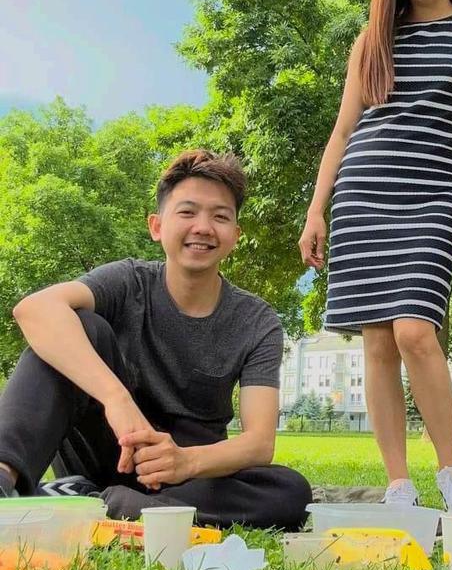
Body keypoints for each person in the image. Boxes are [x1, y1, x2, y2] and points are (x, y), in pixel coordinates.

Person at [299, 0, 452, 512]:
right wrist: (316, 210)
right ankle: (398, 486)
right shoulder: (372, 41)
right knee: (377, 344)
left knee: (416, 329)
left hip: (435, 196)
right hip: (363, 195)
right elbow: (343, 131)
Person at [0, 149, 312, 530]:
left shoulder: (257, 321)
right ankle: (5, 480)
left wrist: (185, 461)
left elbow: (259, 443)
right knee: (77, 325)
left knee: (291, 493)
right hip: (111, 449)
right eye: (187, 212)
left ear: (235, 234)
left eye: (220, 216)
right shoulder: (128, 282)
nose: (203, 227)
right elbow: (34, 309)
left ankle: (102, 503)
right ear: (157, 226)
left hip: (190, 474)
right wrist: (117, 399)